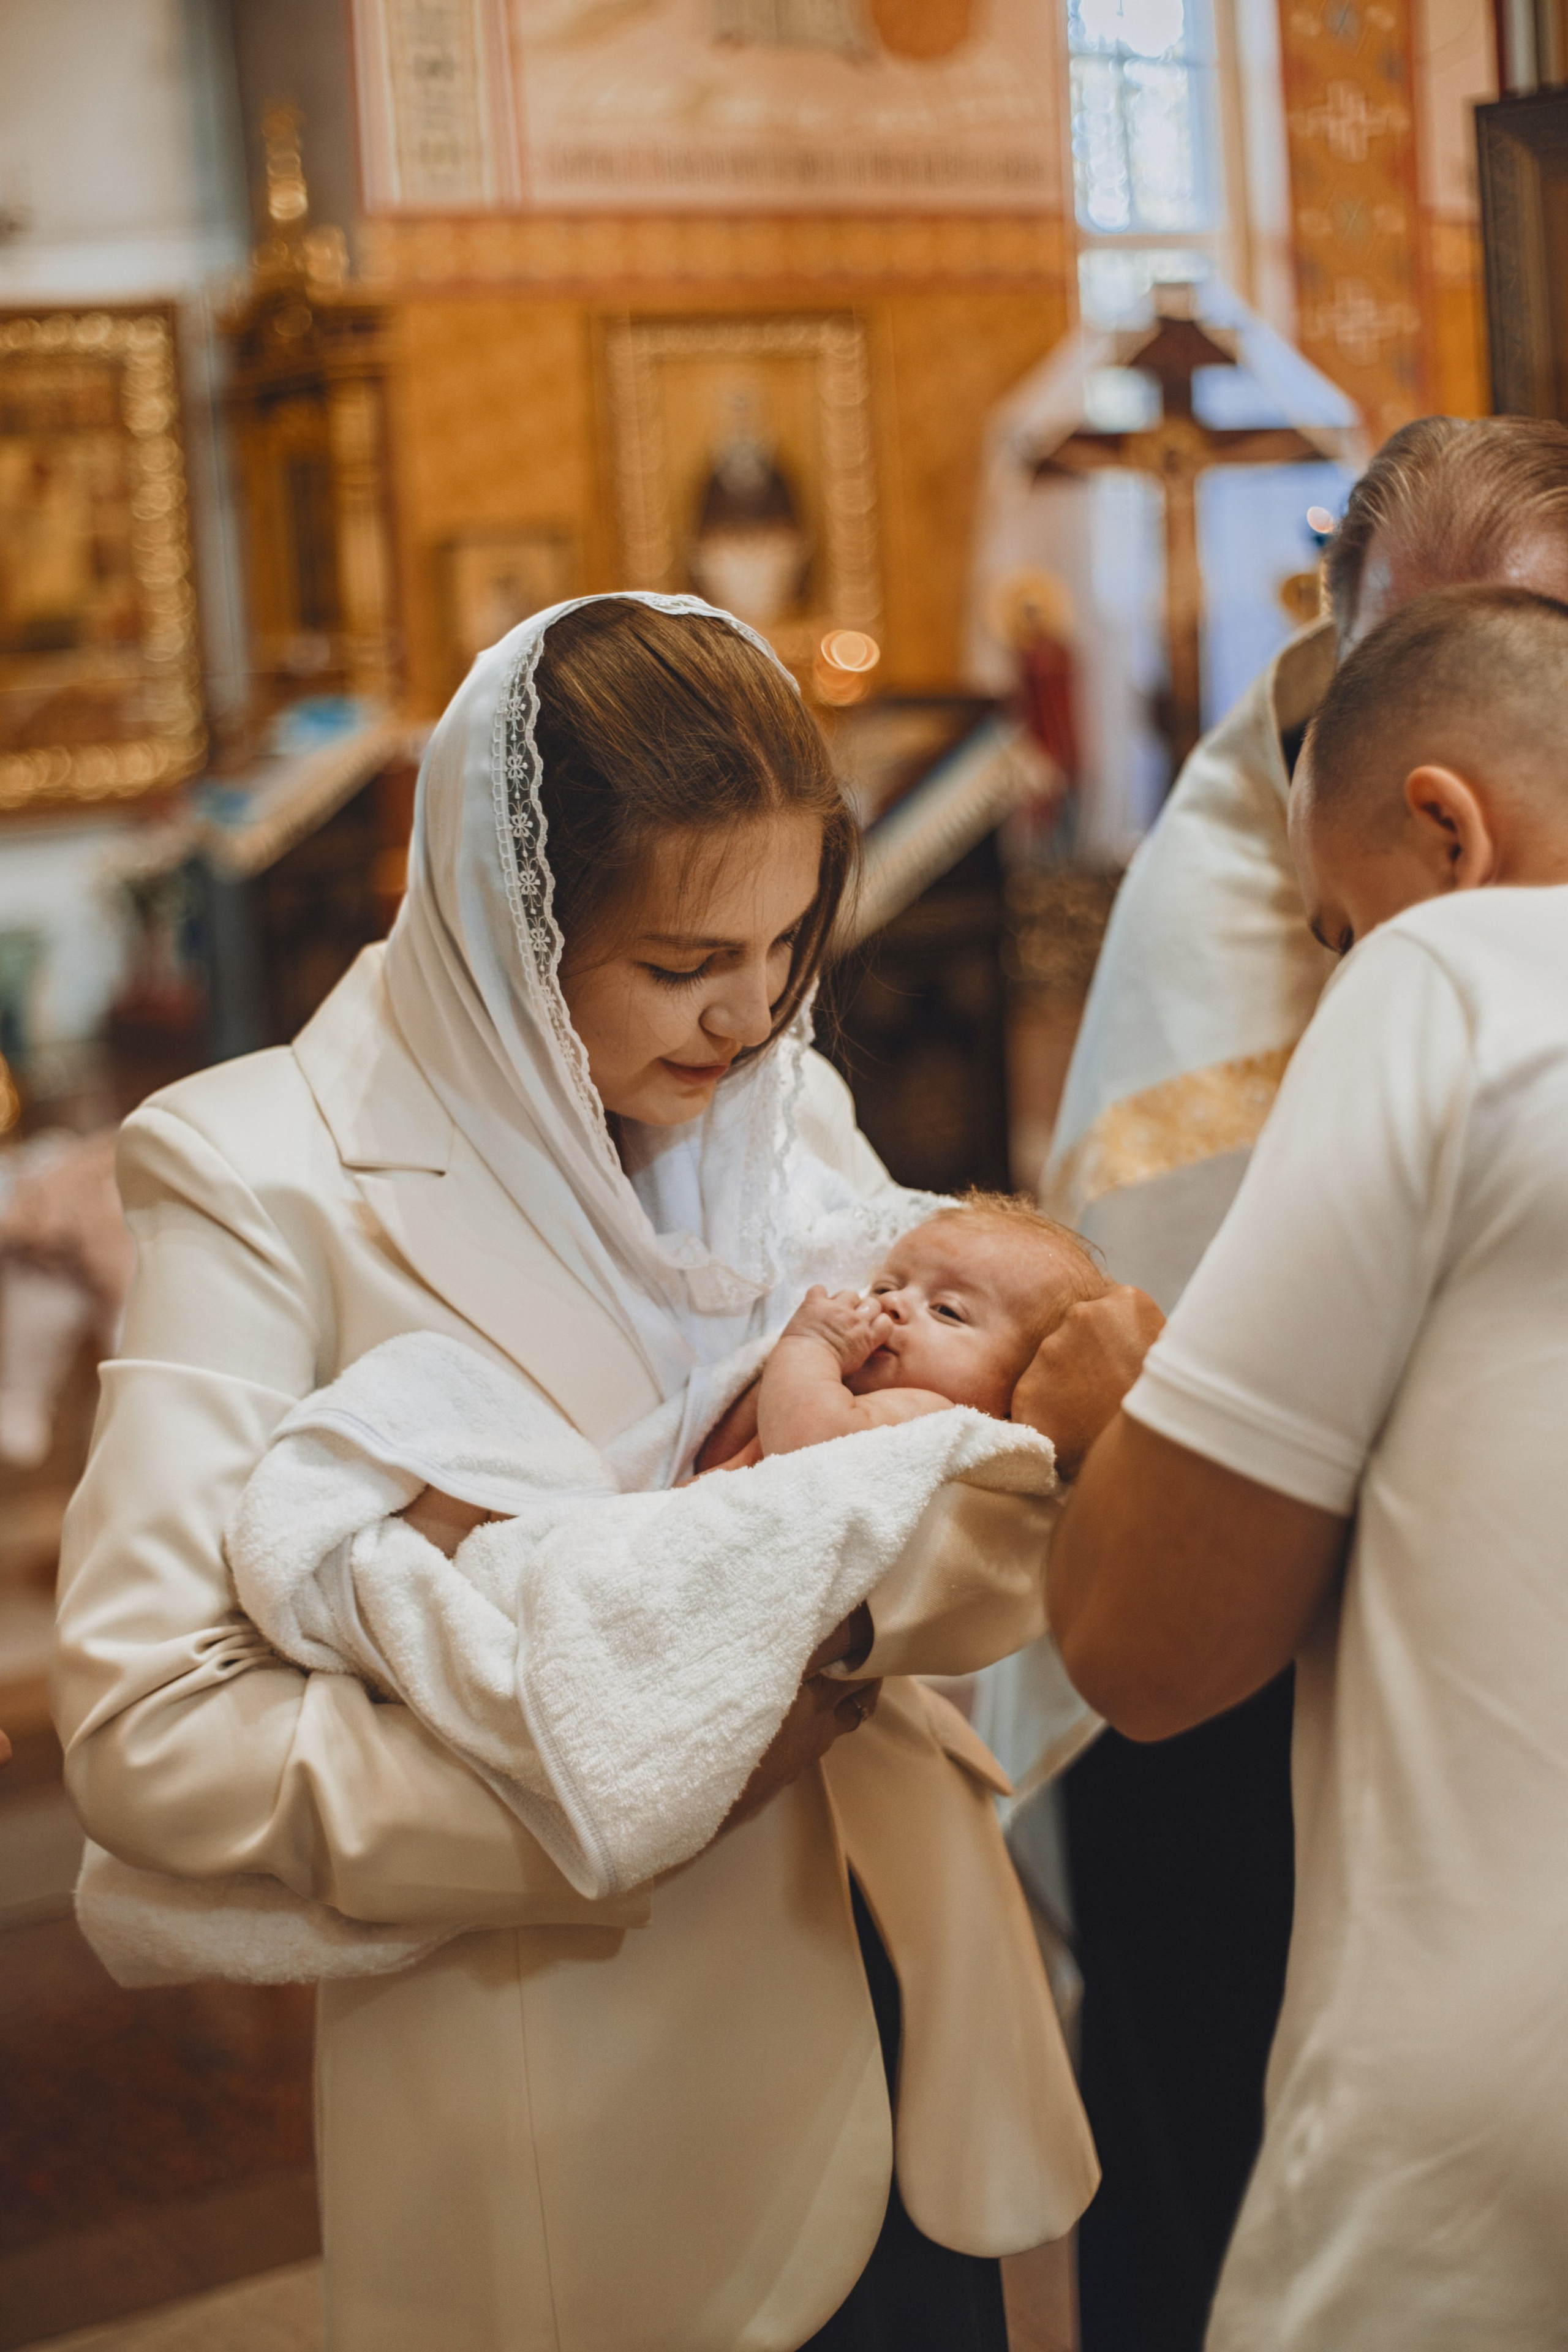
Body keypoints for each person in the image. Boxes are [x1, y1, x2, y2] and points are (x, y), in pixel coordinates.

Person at [53, 592, 1123, 2352]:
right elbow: (151, 1729)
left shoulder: (771, 1098)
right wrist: (619, 1794)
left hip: (882, 1981)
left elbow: (890, 1473)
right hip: (576, 2072)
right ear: (505, 923)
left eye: (788, 950)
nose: (749, 1019)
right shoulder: (260, 1173)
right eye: (682, 966)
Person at [1036, 415, 1568, 2351]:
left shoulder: (1432, 979)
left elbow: (1137, 1618)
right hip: (1269, 1728)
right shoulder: (1252, 880)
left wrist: (1105, 1409)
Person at [753, 1196, 1106, 1455]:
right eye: (884, 1288)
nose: (892, 1303)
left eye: (946, 1310)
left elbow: (806, 1447)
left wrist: (811, 1344)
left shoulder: (934, 1413)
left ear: (1019, 1388)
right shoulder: (843, 1383)